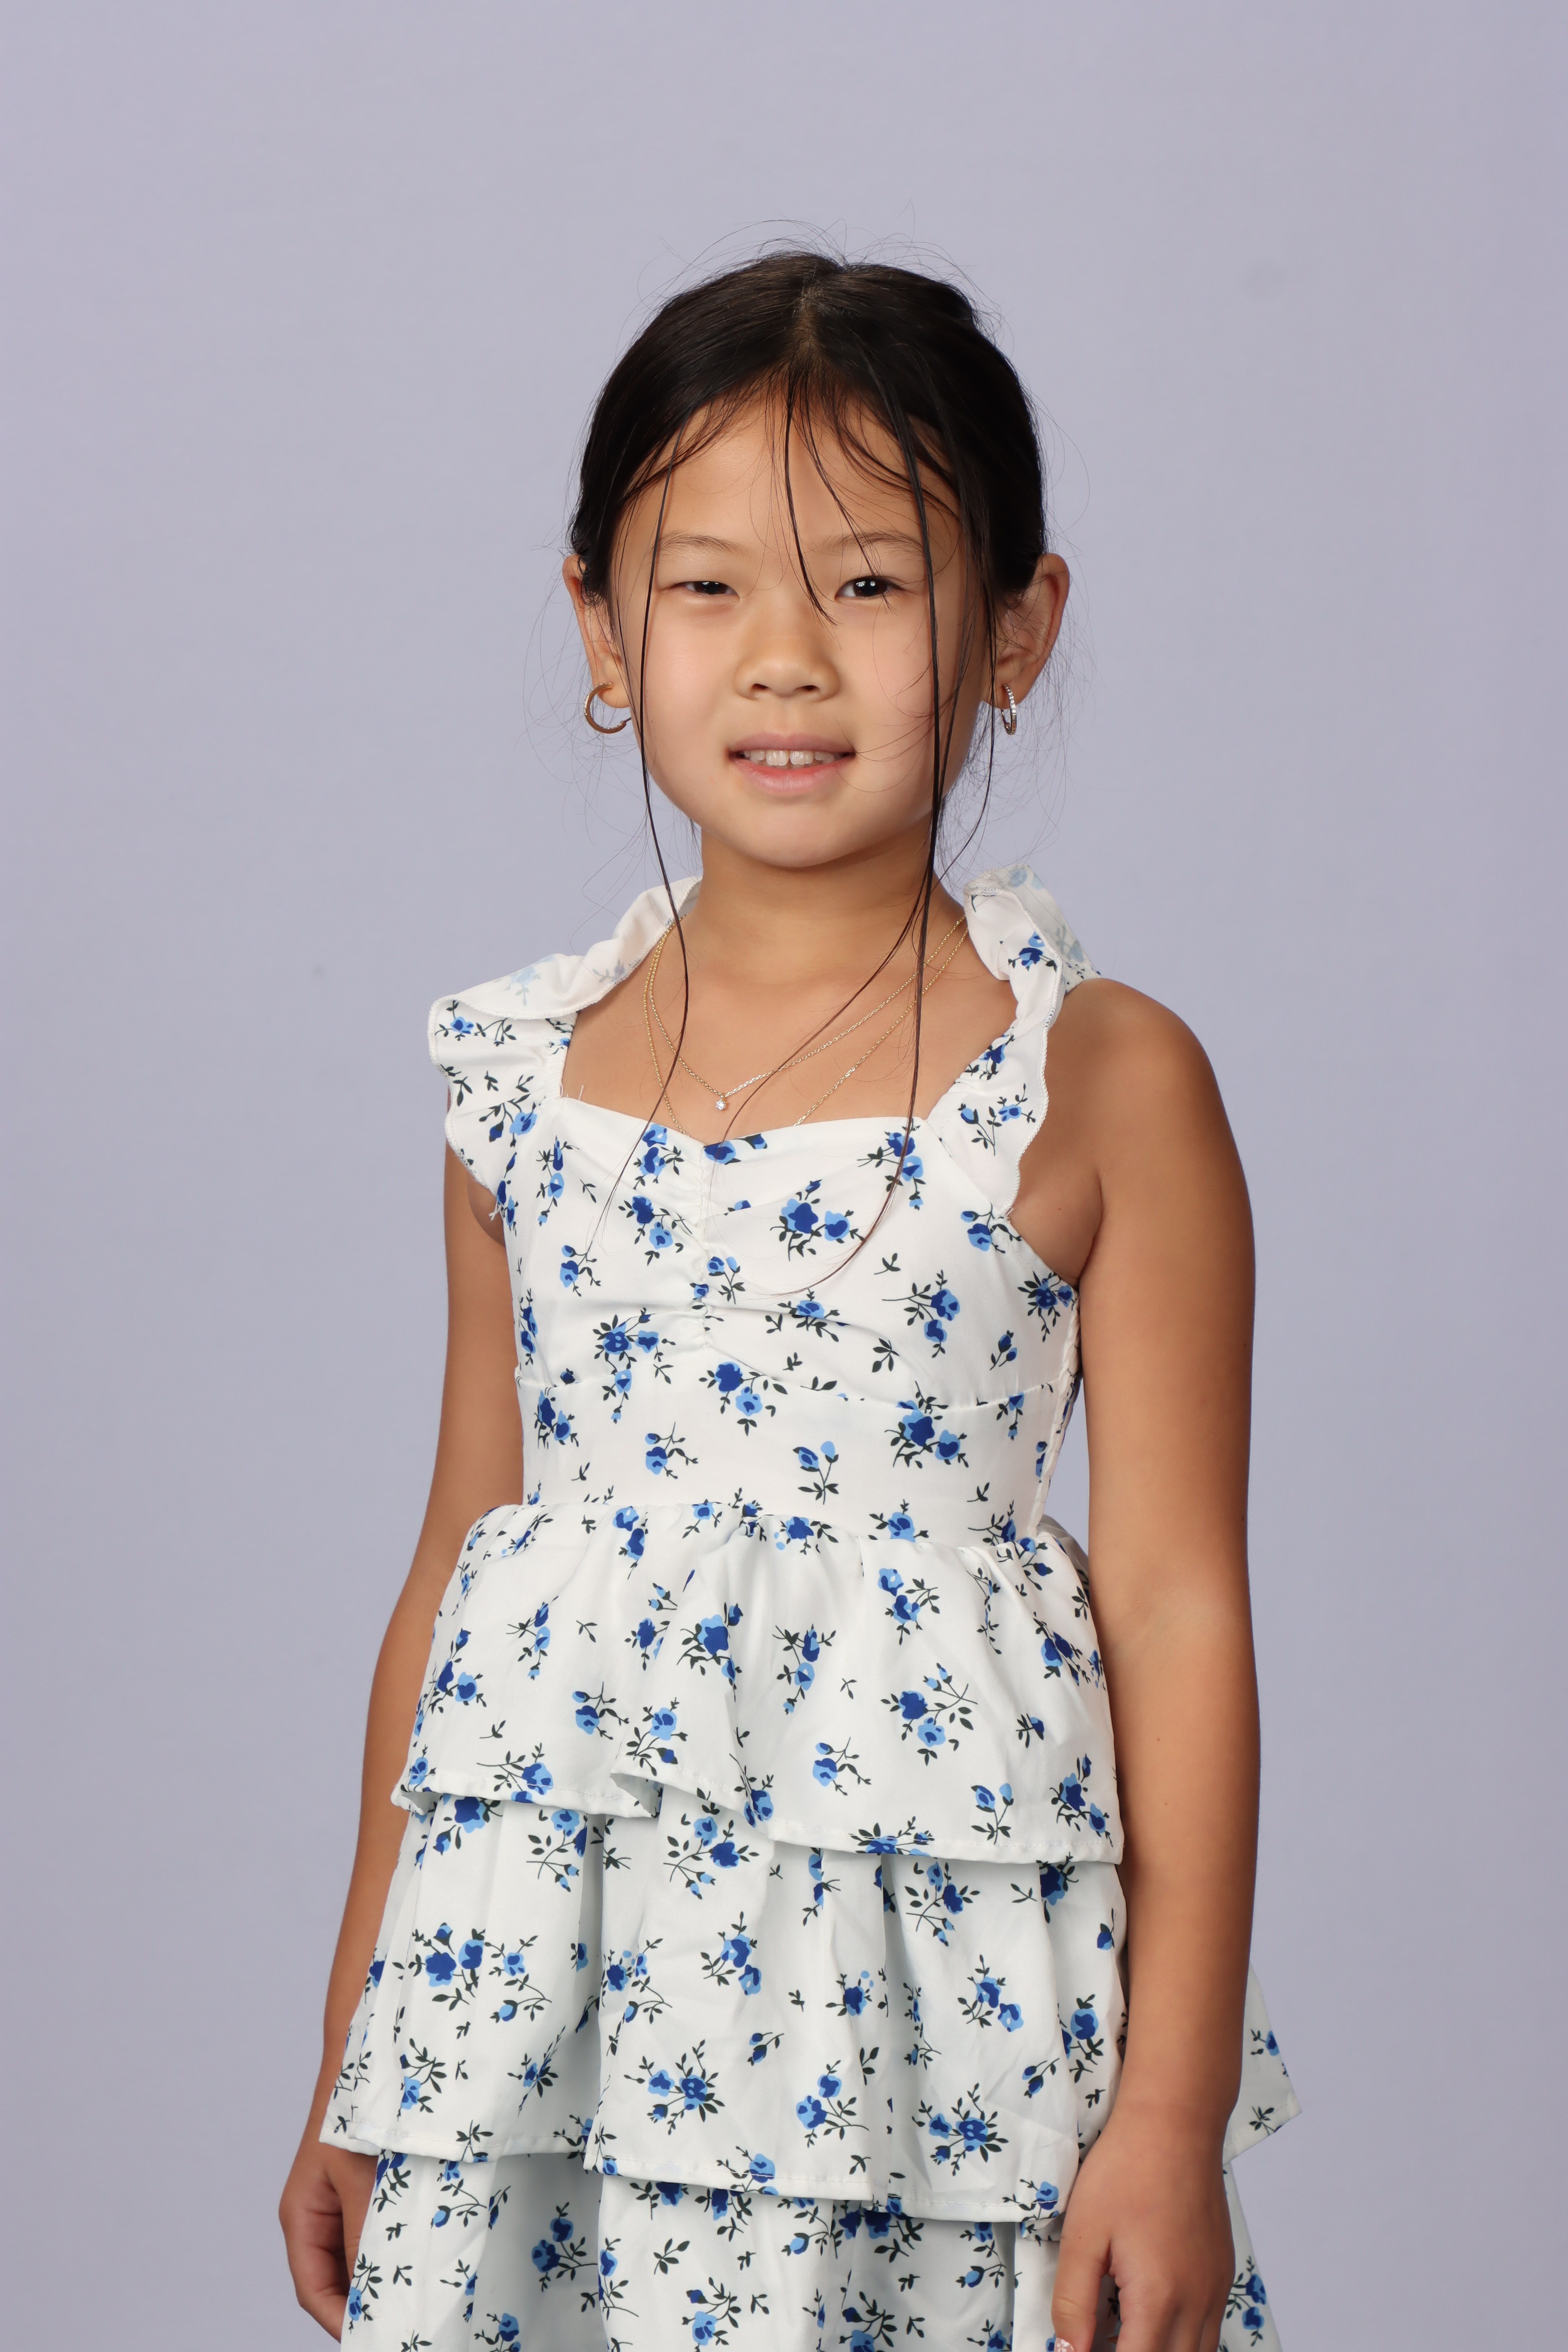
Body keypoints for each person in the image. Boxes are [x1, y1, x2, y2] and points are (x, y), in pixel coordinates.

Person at [279, 249, 1297, 2352]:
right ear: (601, 625)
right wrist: (361, 2054)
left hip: (935, 2041)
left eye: (869, 585)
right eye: (706, 586)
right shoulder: (520, 1082)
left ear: (1013, 626)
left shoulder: (1101, 1080)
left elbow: (1178, 1605)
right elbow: (460, 1569)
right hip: (550, 2010)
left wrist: (1171, 2117)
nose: (784, 660)